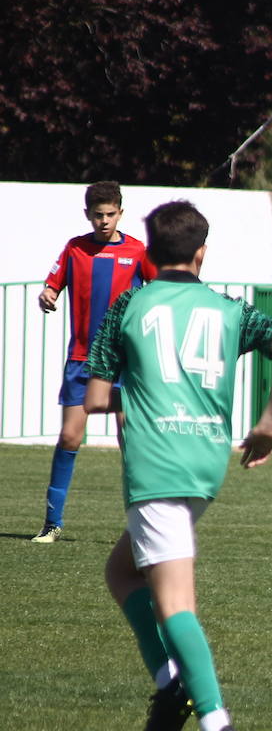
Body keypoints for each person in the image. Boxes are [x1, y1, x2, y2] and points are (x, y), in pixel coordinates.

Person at [84, 200, 272, 731]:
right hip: (206, 463)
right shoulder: (228, 309)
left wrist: (135, 394)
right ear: (202, 253)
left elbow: (98, 398)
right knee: (121, 570)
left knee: (174, 603)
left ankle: (215, 727)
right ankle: (169, 682)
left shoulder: (131, 303)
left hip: (157, 464)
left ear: (148, 256)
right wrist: (269, 423)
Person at [32, 181, 158, 543]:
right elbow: (52, 284)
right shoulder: (75, 249)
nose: (104, 221)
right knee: (70, 436)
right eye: (98, 215)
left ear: (121, 211)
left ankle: (143, 527)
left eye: (110, 214)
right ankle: (51, 524)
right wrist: (48, 294)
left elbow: (161, 289)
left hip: (124, 362)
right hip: (82, 360)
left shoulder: (137, 251)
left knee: (131, 441)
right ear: (88, 214)